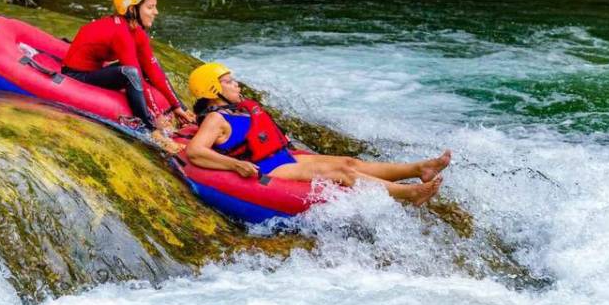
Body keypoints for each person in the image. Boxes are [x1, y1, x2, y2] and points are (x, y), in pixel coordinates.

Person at [185, 62, 451, 206]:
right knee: (343, 175)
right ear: (212, 89)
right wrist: (236, 165)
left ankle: (419, 168)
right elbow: (196, 152)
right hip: (267, 169)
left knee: (350, 162)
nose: (236, 84)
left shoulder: (239, 110)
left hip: (281, 156)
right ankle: (410, 194)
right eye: (229, 81)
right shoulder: (216, 118)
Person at [61, 0, 194, 152]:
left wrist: (178, 106)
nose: (156, 12)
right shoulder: (121, 33)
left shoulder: (136, 31)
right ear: (132, 9)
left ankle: (176, 112)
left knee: (150, 65)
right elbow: (135, 74)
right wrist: (156, 115)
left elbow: (152, 68)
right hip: (76, 74)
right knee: (130, 72)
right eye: (150, 7)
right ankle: (150, 130)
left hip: (96, 70)